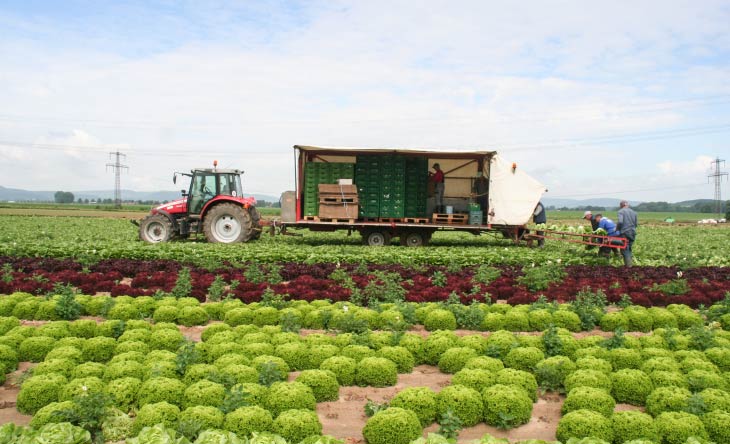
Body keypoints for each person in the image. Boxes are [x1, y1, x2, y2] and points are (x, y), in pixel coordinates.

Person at [617, 200, 638, 267]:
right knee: (629, 248)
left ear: (621, 206)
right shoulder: (634, 212)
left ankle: (628, 266)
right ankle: (629, 265)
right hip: (633, 232)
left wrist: (617, 229)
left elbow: (620, 222)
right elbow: (636, 224)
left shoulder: (621, 211)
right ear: (627, 205)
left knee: (624, 249)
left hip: (625, 232)